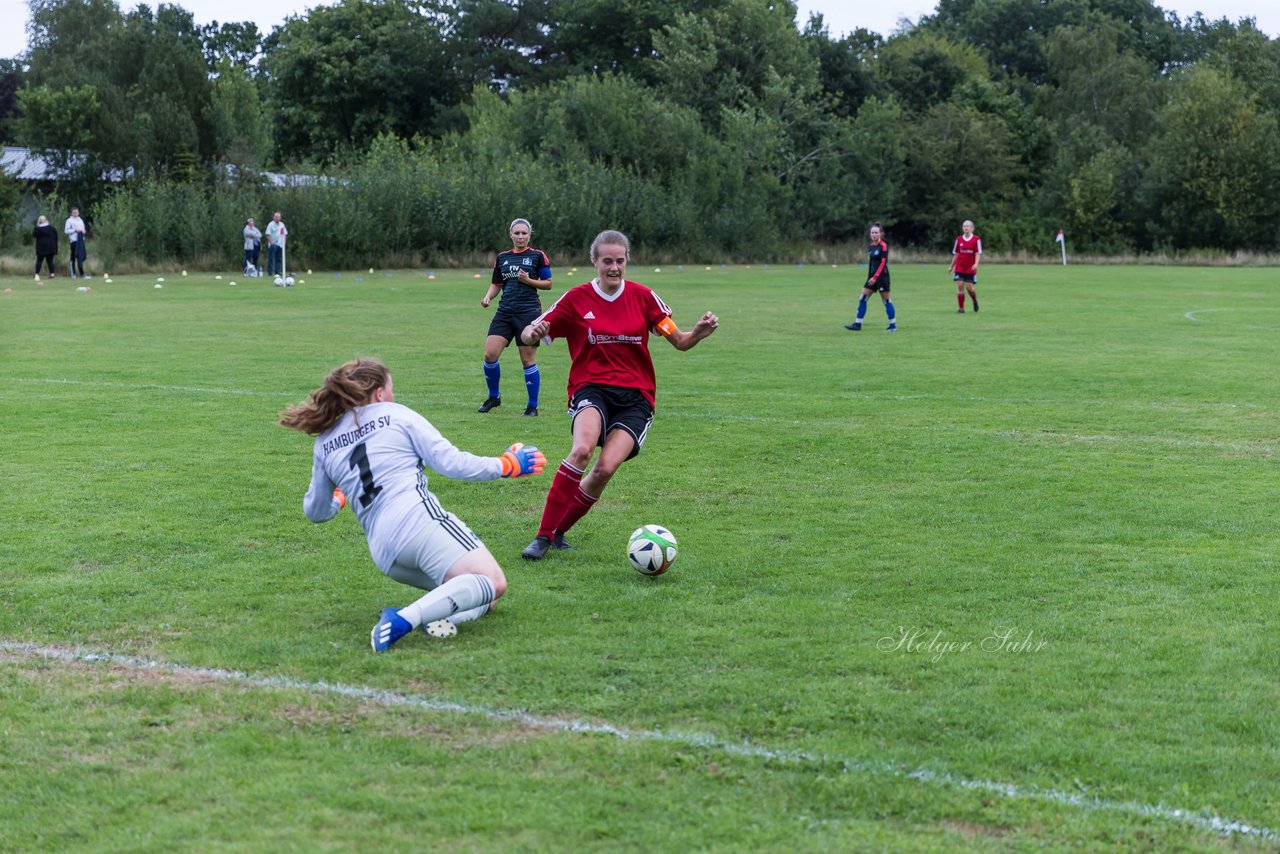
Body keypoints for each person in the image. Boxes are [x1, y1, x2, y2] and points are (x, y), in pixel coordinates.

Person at [279, 358, 547, 651]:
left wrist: (340, 499)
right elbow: (452, 462)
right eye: (391, 388)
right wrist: (506, 465)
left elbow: (315, 512)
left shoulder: (325, 440)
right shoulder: (395, 414)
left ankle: (445, 619)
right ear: (380, 393)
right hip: (418, 522)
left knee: (482, 595)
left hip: (385, 553)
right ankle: (401, 619)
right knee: (492, 581)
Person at [517, 229, 719, 560]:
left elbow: (679, 341)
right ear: (594, 261)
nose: (614, 267)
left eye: (620, 261)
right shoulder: (576, 299)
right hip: (591, 388)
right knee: (582, 450)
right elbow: (528, 334)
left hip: (636, 399)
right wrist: (533, 330)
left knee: (605, 468)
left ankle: (558, 532)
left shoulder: (644, 298)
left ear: (627, 262)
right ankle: (541, 536)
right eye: (607, 261)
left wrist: (698, 332)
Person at [478, 218, 553, 416]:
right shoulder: (502, 257)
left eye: (524, 233)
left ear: (529, 235)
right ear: (511, 235)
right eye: (517, 233)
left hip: (528, 313)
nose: (520, 236)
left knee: (527, 359)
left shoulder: (537, 256)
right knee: (490, 354)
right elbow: (497, 283)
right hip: (504, 312)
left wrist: (528, 280)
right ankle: (494, 397)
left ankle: (532, 406)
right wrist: (488, 297)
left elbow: (548, 283)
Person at [845, 222, 896, 332]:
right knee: (862, 298)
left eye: (876, 232)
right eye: (872, 232)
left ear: (880, 234)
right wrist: (869, 277)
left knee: (886, 301)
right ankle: (857, 324)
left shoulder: (883, 245)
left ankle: (892, 326)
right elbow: (871, 263)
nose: (874, 234)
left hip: (882, 278)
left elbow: (883, 263)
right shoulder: (871, 246)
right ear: (870, 234)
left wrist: (875, 277)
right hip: (872, 278)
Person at [948, 219, 981, 312]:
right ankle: (961, 309)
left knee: (969, 288)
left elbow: (978, 253)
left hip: (970, 267)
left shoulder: (976, 239)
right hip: (959, 267)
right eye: (964, 226)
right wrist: (951, 266)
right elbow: (956, 254)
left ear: (972, 228)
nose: (965, 227)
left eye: (967, 226)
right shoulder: (958, 239)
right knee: (960, 285)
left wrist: (976, 264)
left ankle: (974, 300)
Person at [64, 207, 87, 279]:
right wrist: (75, 230)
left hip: (81, 240)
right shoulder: (69, 221)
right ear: (71, 213)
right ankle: (73, 273)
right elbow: (66, 231)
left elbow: (83, 229)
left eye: (77, 212)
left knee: (80, 257)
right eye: (74, 212)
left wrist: (83, 231)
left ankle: (82, 274)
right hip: (74, 241)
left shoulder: (80, 220)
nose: (75, 214)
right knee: (73, 257)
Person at [264, 211, 287, 278]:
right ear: (274, 217)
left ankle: (277, 272)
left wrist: (284, 243)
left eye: (278, 217)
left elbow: (285, 234)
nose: (277, 218)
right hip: (273, 244)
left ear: (280, 218)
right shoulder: (270, 224)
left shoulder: (282, 224)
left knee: (279, 259)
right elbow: (268, 234)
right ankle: (270, 272)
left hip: (280, 245)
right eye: (276, 217)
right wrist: (272, 243)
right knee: (271, 258)